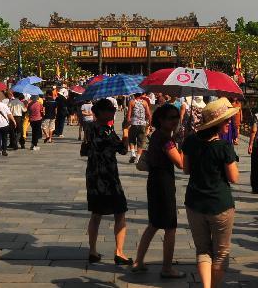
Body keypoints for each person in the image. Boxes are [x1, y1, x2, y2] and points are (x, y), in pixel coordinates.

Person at [181, 97, 240, 288]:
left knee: (203, 250)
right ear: (218, 124)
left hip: (195, 202)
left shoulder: (190, 141)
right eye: (227, 121)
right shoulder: (223, 147)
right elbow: (233, 177)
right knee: (221, 252)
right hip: (219, 204)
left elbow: (186, 169)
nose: (229, 124)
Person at [131, 104, 186, 279]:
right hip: (163, 184)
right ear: (161, 119)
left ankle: (139, 261)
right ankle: (167, 268)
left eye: (176, 116)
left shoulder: (158, 135)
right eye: (171, 117)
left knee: (154, 224)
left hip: (155, 181)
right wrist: (183, 145)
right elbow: (181, 164)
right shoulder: (165, 139)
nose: (175, 120)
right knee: (170, 227)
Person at [83, 98, 132, 266]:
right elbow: (123, 149)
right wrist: (125, 131)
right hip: (108, 178)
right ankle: (119, 252)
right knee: (120, 212)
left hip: (93, 176)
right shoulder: (106, 131)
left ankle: (92, 250)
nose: (113, 112)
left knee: (96, 214)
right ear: (101, 112)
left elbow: (85, 149)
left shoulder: (89, 127)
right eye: (110, 109)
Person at [127, 92, 152, 164]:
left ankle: (133, 153)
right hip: (142, 124)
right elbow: (148, 114)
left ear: (134, 95)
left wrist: (128, 123)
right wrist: (150, 124)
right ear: (141, 95)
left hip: (134, 123)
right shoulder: (144, 102)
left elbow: (129, 114)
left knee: (131, 139)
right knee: (141, 141)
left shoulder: (131, 102)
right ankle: (138, 158)